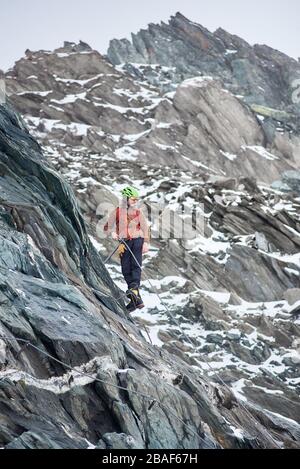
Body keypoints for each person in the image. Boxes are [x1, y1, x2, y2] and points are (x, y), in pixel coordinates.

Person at [104, 186, 150, 312]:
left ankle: (134, 290)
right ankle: (136, 299)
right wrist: (113, 232)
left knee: (135, 265)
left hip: (137, 240)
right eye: (133, 199)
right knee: (125, 269)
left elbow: (146, 228)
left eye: (136, 199)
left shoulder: (138, 213)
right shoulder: (117, 211)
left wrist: (146, 242)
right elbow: (107, 227)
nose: (135, 201)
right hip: (124, 244)